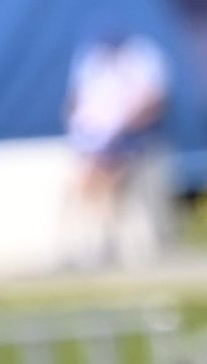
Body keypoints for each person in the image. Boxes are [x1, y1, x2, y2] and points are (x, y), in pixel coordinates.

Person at [63, 29, 171, 269]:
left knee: (107, 182)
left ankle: (106, 242)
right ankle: (91, 244)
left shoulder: (137, 68)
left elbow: (149, 108)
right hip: (98, 144)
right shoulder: (95, 74)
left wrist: (117, 142)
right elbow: (81, 117)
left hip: (127, 142)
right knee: (85, 185)